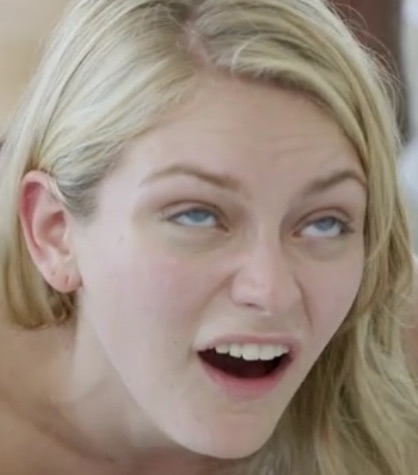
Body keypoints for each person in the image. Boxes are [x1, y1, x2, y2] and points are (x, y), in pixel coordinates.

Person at [0, 0, 417, 474]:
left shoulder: (397, 350)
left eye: (325, 223)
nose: (271, 292)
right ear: (55, 231)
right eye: (196, 216)